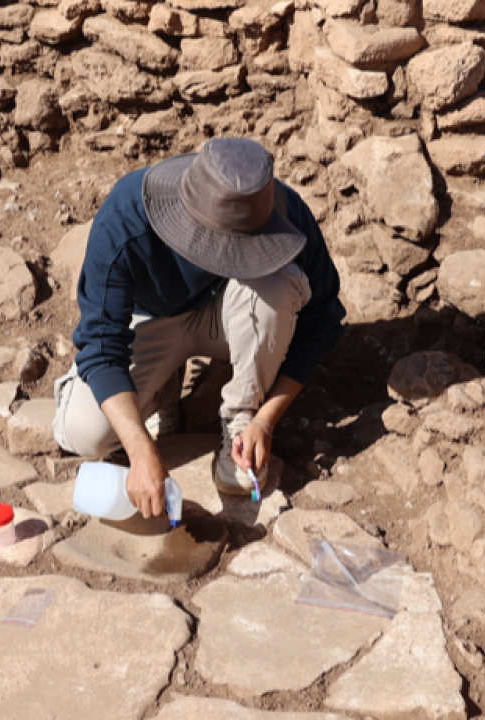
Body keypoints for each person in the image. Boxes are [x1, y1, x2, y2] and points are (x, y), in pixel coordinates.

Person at [52, 137, 345, 520]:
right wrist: (141, 450)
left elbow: (322, 322)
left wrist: (264, 420)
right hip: (149, 321)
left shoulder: (285, 214)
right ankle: (161, 390)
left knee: (276, 287)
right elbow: (102, 343)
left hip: (229, 314)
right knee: (85, 433)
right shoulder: (126, 216)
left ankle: (239, 416)